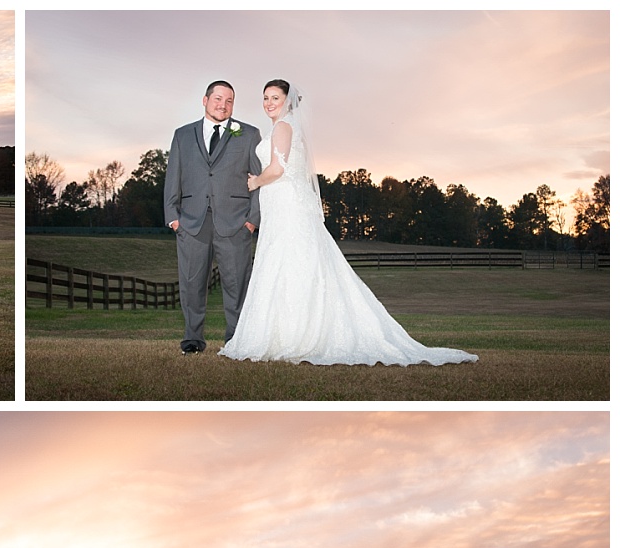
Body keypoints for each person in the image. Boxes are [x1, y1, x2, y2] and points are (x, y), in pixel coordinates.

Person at [219, 81, 478, 366]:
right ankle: (287, 332)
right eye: (265, 98)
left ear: (288, 101)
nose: (268, 103)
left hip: (287, 205)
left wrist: (255, 181)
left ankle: (292, 335)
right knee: (295, 262)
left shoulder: (283, 127)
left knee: (288, 262)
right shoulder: (288, 127)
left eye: (275, 98)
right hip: (285, 205)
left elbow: (277, 169)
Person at [164, 81, 263, 354]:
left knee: (236, 286)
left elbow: (258, 180)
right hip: (192, 223)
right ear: (205, 100)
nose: (223, 105)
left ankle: (236, 341)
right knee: (191, 284)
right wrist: (173, 217)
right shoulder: (182, 135)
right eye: (218, 98)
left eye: (229, 100)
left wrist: (252, 220)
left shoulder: (249, 134)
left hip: (235, 223)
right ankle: (192, 340)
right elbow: (173, 176)